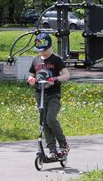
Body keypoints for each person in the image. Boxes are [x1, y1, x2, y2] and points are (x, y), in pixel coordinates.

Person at [27, 32, 71, 160]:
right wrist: (31, 80)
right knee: (44, 123)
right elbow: (31, 75)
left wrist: (55, 79)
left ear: (50, 47)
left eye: (44, 50)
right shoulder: (35, 60)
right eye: (39, 50)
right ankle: (52, 149)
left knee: (50, 119)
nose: (42, 53)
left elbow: (67, 75)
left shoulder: (56, 59)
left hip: (53, 95)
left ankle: (63, 144)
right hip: (40, 95)